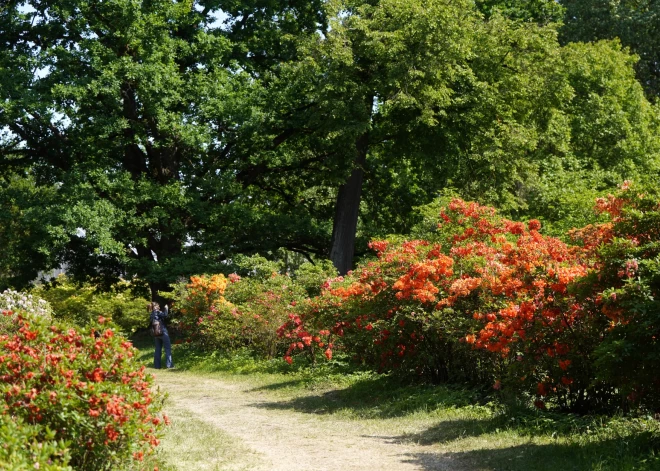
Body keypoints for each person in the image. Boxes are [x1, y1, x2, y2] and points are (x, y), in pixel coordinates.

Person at [148, 302, 174, 369]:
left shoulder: (151, 314)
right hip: (163, 332)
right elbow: (165, 315)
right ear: (156, 306)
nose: (159, 307)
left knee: (157, 349)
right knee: (167, 349)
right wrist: (166, 308)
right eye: (158, 306)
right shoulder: (158, 312)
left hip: (156, 334)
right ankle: (169, 365)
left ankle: (157, 366)